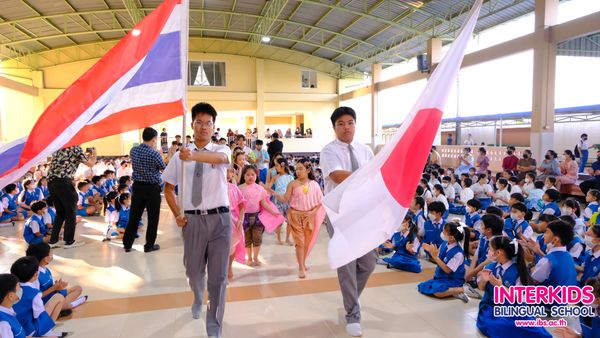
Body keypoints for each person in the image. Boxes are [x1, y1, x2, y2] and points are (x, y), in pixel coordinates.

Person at [162, 102, 232, 336]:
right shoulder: (180, 157)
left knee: (219, 277)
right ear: (192, 125)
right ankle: (197, 296)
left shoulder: (223, 150)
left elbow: (220, 161)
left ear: (214, 127)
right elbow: (168, 189)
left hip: (220, 219)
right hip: (192, 222)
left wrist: (193, 156)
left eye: (208, 123)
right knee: (193, 271)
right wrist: (177, 214)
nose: (204, 127)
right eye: (199, 122)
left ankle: (214, 327)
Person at [320, 106, 375, 337]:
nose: (346, 127)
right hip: (339, 213)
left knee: (369, 263)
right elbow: (337, 176)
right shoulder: (329, 151)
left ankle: (351, 299)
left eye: (350, 122)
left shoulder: (366, 151)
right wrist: (367, 176)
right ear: (334, 127)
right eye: (341, 123)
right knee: (347, 265)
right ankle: (353, 313)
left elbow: (377, 178)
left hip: (363, 212)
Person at [476, 236, 553, 338]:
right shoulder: (490, 267)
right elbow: (481, 288)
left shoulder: (518, 271)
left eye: (490, 248)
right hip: (491, 307)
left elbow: (518, 297)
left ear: (498, 253)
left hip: (514, 308)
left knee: (532, 328)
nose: (488, 251)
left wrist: (500, 286)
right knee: (497, 326)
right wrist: (483, 281)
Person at [273, 159, 324, 279]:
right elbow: (285, 199)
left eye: (301, 169)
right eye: (296, 169)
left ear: (308, 170)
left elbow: (321, 201)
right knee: (300, 243)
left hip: (309, 217)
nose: (298, 171)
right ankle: (301, 267)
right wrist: (274, 193)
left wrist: (312, 212)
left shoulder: (314, 184)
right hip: (295, 215)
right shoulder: (293, 184)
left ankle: (303, 262)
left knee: (306, 242)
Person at [122, 127, 166, 253]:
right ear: (153, 140)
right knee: (153, 217)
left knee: (134, 216)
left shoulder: (133, 150)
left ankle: (127, 244)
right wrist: (160, 154)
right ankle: (149, 245)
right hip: (152, 188)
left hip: (137, 186)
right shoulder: (154, 153)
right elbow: (163, 168)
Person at [47, 146, 96, 249]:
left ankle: (53, 240)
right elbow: (90, 164)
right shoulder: (75, 148)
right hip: (63, 182)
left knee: (60, 213)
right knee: (71, 212)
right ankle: (69, 241)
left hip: (51, 182)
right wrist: (94, 154)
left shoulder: (59, 148)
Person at [10, 257, 65, 337]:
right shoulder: (34, 293)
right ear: (36, 274)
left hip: (16, 328)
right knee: (59, 297)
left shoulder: (10, 290)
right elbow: (38, 315)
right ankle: (48, 331)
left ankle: (48, 329)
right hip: (30, 330)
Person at [418, 221, 470, 303]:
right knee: (423, 286)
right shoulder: (444, 244)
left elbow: (447, 270)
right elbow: (439, 256)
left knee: (438, 292)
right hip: (441, 277)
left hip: (453, 280)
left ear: (452, 237)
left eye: (445, 231)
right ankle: (453, 292)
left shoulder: (458, 253)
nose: (442, 233)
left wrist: (435, 257)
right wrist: (431, 251)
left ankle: (463, 289)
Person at [25, 243, 87, 312]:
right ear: (45, 259)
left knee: (78, 288)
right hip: (48, 302)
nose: (52, 256)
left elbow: (51, 283)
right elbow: (37, 296)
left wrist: (58, 284)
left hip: (56, 294)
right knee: (64, 305)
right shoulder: (35, 276)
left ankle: (62, 307)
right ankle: (72, 304)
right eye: (50, 254)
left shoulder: (45, 269)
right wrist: (53, 288)